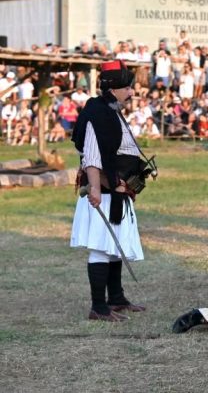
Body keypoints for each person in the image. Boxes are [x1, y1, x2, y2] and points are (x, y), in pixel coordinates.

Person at [70, 60, 146, 322]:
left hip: (117, 190)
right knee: (102, 247)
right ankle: (99, 307)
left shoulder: (111, 110)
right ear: (113, 89)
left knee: (114, 245)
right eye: (127, 88)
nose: (131, 92)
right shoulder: (98, 113)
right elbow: (91, 156)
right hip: (103, 191)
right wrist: (95, 188)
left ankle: (116, 298)